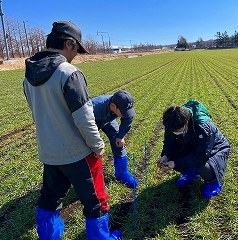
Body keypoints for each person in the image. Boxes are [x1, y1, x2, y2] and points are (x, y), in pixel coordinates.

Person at [23, 20, 121, 240]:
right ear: (69, 43)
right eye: (76, 49)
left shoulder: (28, 77)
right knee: (96, 200)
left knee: (50, 198)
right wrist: (98, 145)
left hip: (49, 153)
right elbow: (85, 118)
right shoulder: (69, 72)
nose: (76, 55)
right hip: (78, 154)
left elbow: (38, 114)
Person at [157, 100, 230, 198]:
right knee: (172, 156)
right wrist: (165, 155)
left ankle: (212, 181)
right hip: (194, 146)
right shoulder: (172, 123)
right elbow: (170, 142)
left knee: (202, 167)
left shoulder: (202, 127)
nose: (174, 132)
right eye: (172, 130)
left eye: (177, 130)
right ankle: (192, 172)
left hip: (215, 149)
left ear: (186, 123)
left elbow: (202, 156)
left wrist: (176, 163)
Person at [92, 90, 138, 188]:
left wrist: (120, 137)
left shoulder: (124, 108)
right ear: (113, 106)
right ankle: (92, 178)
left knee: (119, 144)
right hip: (91, 123)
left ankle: (122, 175)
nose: (127, 114)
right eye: (124, 112)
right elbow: (86, 127)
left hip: (109, 120)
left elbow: (127, 121)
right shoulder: (94, 108)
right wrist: (95, 144)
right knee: (90, 150)